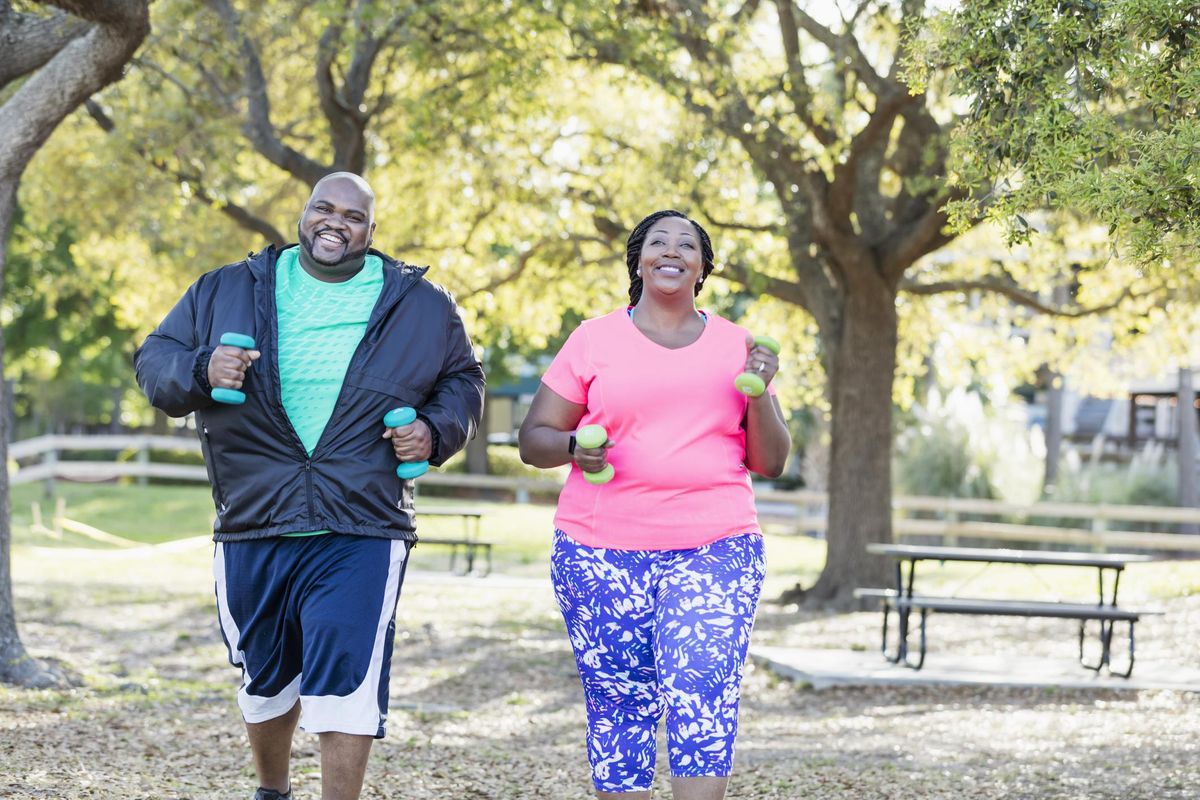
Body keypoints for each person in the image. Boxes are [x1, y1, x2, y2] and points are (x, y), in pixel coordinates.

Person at [134, 172, 484, 800]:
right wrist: (200, 366)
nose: (336, 222)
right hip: (253, 514)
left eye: (353, 216)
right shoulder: (227, 289)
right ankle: (273, 791)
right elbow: (154, 360)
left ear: (371, 232)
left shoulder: (422, 304)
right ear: (302, 214)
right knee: (264, 677)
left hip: (363, 518)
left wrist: (433, 432)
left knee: (347, 675)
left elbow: (463, 380)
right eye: (325, 208)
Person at [517, 209, 791, 800]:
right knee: (619, 701)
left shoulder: (737, 346)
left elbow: (770, 462)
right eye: (658, 242)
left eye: (686, 244)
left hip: (716, 544)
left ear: (702, 266)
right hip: (598, 550)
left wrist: (763, 389)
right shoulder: (593, 339)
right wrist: (574, 449)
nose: (672, 251)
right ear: (639, 260)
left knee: (701, 684)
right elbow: (534, 438)